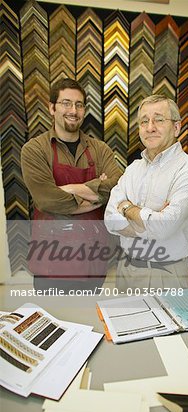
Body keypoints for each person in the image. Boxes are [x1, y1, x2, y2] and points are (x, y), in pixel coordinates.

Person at [21, 78, 122, 294]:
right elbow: (47, 200)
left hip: (92, 259)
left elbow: (117, 188)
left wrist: (68, 189)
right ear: (52, 108)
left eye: (79, 104)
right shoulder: (34, 149)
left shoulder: (100, 149)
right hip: (51, 260)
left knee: (90, 322)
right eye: (66, 103)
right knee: (52, 322)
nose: (73, 110)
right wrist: (97, 192)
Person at [104, 94, 188, 290]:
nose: (150, 127)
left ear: (176, 127)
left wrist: (125, 208)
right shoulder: (133, 168)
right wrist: (152, 219)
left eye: (159, 120)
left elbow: (163, 228)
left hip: (166, 274)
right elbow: (110, 220)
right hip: (126, 270)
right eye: (144, 121)